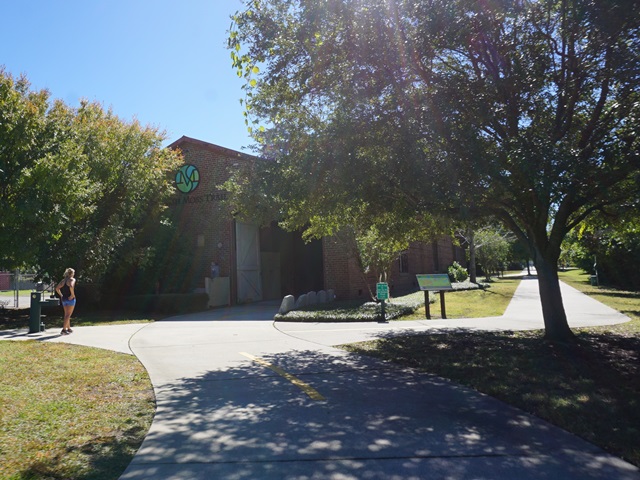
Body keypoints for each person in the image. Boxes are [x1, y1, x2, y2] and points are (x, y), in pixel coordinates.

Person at [55, 268, 76, 335]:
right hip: (70, 299)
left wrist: (61, 295)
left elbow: (57, 288)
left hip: (64, 299)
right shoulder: (72, 279)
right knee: (68, 314)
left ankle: (68, 328)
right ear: (72, 273)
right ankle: (64, 329)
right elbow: (71, 286)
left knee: (66, 314)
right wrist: (72, 295)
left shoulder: (63, 280)